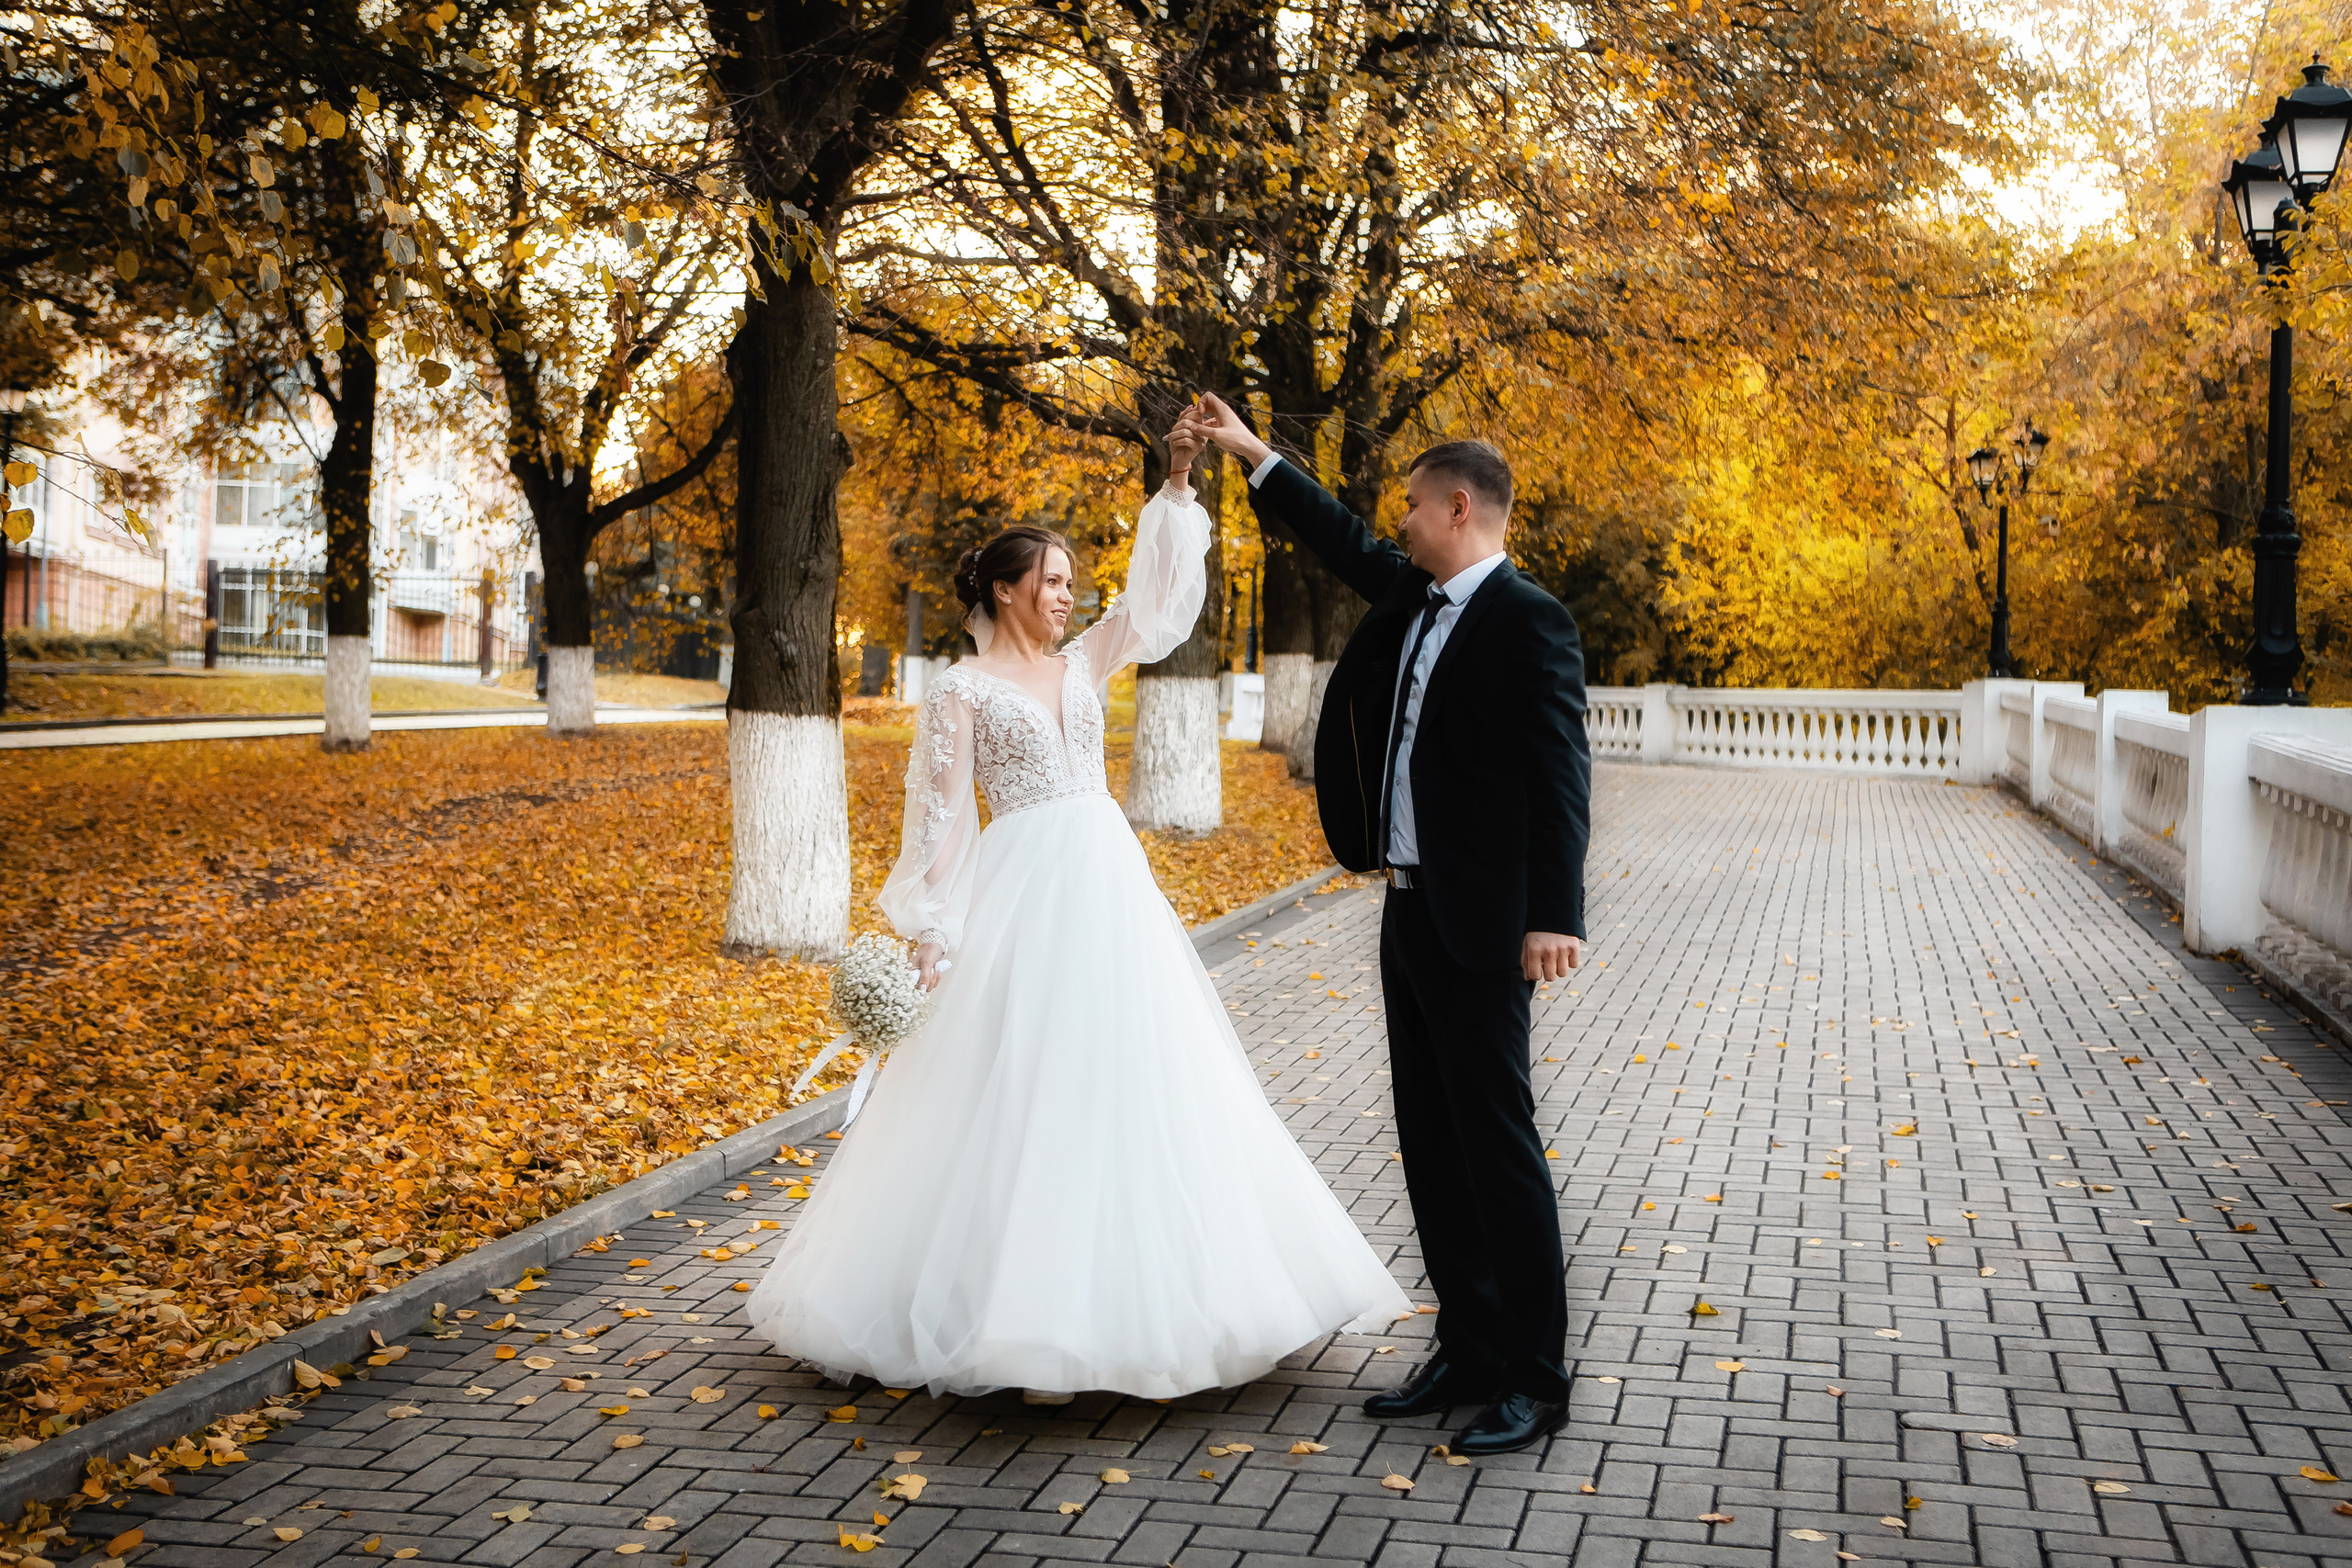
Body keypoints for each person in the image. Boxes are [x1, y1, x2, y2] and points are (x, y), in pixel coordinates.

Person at [745, 412, 1410, 1404]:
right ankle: (1018, 1320)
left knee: (1135, 1069)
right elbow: (939, 823)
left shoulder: (1086, 660)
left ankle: (1160, 1301)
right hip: (1019, 888)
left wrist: (1177, 485)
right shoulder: (961, 690)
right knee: (1021, 1080)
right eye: (1052, 581)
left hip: (1106, 884)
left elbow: (1157, 603)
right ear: (1007, 589)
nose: (1066, 595)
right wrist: (931, 931)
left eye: (1069, 582)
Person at [1175, 393, 1591, 1456]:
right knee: (1431, 1148)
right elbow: (1340, 539)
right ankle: (1468, 1348)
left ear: (1459, 507)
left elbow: (1560, 777)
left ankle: (1534, 1378)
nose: (1398, 521)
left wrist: (1554, 916)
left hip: (1485, 929)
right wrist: (1250, 452)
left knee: (1496, 1151)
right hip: (1405, 914)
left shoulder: (1529, 620)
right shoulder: (1413, 596)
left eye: (1412, 505)